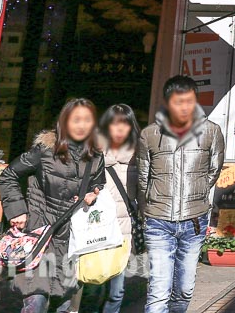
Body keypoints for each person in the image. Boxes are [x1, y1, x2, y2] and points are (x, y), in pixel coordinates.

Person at [0, 98, 106, 313]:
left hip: (72, 241)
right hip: (40, 234)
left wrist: (92, 196)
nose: (81, 125)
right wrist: (18, 211)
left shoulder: (95, 157)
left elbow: (98, 186)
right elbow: (9, 175)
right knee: (36, 300)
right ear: (64, 122)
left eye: (87, 120)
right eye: (76, 120)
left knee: (63, 303)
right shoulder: (45, 150)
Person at [138, 75, 226, 313]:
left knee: (185, 288)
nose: (185, 107)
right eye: (178, 102)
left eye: (189, 101)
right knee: (158, 290)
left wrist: (195, 195)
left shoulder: (211, 132)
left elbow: (213, 171)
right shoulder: (149, 135)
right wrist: (150, 206)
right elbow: (143, 176)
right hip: (158, 219)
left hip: (194, 220)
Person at [97, 104, 142, 313]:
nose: (119, 128)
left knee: (116, 291)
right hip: (96, 228)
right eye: (115, 123)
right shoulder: (93, 154)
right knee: (92, 286)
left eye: (124, 123)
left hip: (123, 230)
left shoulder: (138, 156)